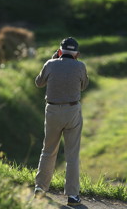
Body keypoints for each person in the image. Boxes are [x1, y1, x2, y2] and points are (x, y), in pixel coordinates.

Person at [34, 37, 89, 206]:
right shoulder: (80, 66)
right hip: (72, 111)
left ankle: (40, 189)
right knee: (72, 154)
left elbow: (38, 83)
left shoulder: (50, 63)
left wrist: (53, 60)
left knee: (48, 150)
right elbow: (83, 86)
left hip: (52, 110)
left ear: (59, 51)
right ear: (77, 54)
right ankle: (72, 196)